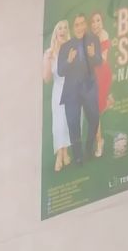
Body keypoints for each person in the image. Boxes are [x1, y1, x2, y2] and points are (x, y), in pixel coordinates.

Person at [59, 12, 102, 166]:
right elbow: (60, 71)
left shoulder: (93, 40)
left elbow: (99, 61)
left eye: (83, 23)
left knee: (94, 119)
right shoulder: (65, 47)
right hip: (72, 92)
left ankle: (89, 148)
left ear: (86, 25)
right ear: (73, 27)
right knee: (73, 124)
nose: (80, 27)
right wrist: (69, 60)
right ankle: (77, 156)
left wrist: (93, 55)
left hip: (89, 88)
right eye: (77, 25)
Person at [43, 19, 72, 171]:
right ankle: (59, 155)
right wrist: (48, 61)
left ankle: (65, 152)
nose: (63, 30)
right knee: (59, 124)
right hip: (58, 92)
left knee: (67, 123)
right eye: (60, 28)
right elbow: (47, 79)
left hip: (72, 91)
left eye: (65, 28)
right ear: (56, 33)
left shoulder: (72, 49)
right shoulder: (49, 53)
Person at [89, 9, 113, 158]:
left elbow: (101, 60)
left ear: (102, 22)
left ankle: (99, 142)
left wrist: (92, 54)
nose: (95, 24)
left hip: (102, 75)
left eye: (98, 20)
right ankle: (108, 101)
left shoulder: (104, 35)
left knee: (94, 111)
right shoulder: (91, 37)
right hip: (93, 76)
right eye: (93, 21)